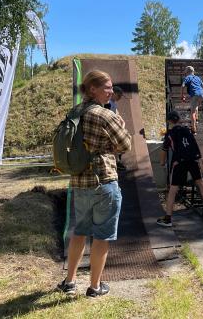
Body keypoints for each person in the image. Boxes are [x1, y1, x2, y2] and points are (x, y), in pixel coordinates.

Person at [57, 70, 132, 297]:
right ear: (92, 89)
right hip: (103, 182)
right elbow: (125, 144)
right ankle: (95, 287)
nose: (111, 91)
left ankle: (69, 282)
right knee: (101, 236)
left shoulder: (75, 112)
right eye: (107, 87)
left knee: (79, 232)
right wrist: (121, 123)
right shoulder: (104, 115)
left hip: (79, 182)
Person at [157, 111, 203, 227]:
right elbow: (194, 145)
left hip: (179, 162)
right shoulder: (187, 130)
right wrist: (201, 159)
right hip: (193, 160)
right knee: (200, 182)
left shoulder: (170, 134)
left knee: (173, 189)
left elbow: (164, 150)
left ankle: (168, 218)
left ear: (169, 121)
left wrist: (162, 163)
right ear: (179, 120)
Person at [181, 66, 203, 134]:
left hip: (195, 95)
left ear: (186, 72)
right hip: (202, 95)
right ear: (193, 71)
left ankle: (193, 129)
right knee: (195, 106)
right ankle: (196, 119)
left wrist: (182, 96)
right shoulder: (198, 77)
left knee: (192, 112)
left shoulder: (187, 77)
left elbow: (182, 86)